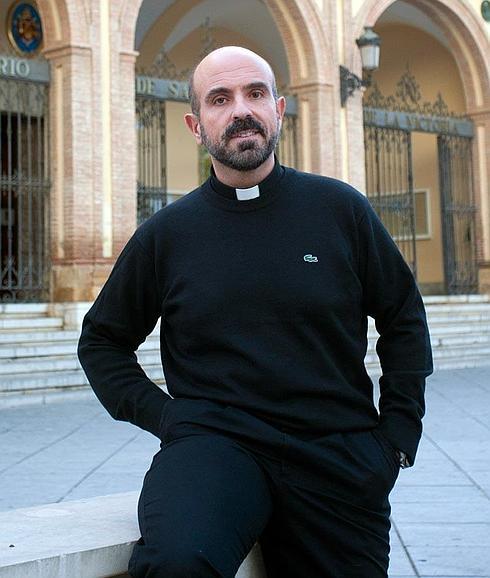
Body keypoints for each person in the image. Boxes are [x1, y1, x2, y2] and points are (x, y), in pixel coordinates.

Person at [78, 46, 433, 578]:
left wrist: (397, 437)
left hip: (335, 451)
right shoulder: (167, 235)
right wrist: (165, 417)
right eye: (220, 99)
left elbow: (403, 315)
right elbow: (102, 341)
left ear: (278, 110)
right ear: (196, 126)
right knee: (177, 564)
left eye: (255, 93)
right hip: (215, 448)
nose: (241, 109)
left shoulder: (340, 210)